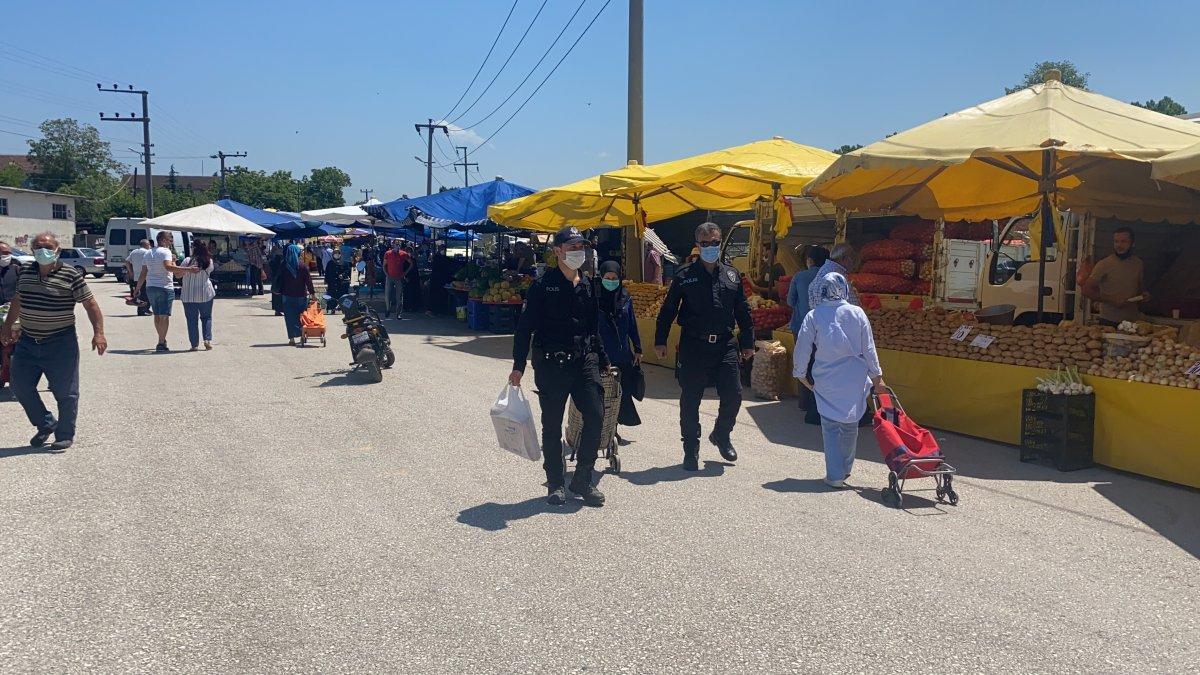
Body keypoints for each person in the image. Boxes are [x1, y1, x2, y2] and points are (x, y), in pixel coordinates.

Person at [509, 225, 608, 507]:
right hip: (552, 364)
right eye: (572, 247)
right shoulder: (542, 285)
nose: (578, 252)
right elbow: (524, 328)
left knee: (596, 416)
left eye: (581, 247)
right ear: (557, 251)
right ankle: (555, 482)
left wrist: (603, 360)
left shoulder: (588, 284)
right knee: (551, 425)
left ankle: (582, 479)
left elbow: (593, 326)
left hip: (583, 362)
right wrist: (518, 365)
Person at [655, 222, 754, 471]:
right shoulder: (684, 275)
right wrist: (660, 340)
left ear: (721, 243)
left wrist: (748, 343)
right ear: (698, 245)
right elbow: (668, 311)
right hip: (694, 345)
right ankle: (691, 449)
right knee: (691, 400)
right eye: (706, 243)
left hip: (725, 345)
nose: (711, 247)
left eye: (715, 242)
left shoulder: (732, 275)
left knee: (733, 394)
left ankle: (721, 434)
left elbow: (742, 310)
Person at [1, 232, 106, 452]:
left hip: (60, 342)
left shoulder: (70, 274)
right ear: (32, 250)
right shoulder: (26, 272)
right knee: (20, 386)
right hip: (28, 341)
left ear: (57, 249)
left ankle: (64, 434)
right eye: (38, 246)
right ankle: (46, 423)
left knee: (66, 392)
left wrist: (99, 333)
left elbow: (91, 305)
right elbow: (17, 300)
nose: (43, 250)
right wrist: (8, 326)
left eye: (47, 246)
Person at [793, 273, 887, 489]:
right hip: (854, 378)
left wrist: (800, 372)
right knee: (850, 425)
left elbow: (803, 346)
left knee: (830, 426)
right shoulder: (858, 313)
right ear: (844, 289)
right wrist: (876, 376)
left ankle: (834, 474)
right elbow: (869, 348)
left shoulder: (814, 315)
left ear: (823, 291)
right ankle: (845, 469)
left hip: (826, 378)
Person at [596, 260, 643, 440]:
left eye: (614, 278)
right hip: (601, 355)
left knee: (618, 395)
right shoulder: (594, 299)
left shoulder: (625, 298)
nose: (611, 281)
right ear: (601, 278)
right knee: (601, 395)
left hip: (622, 355)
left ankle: (611, 428)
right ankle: (598, 428)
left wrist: (638, 347)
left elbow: (632, 324)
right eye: (607, 278)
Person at [788, 245, 830, 422]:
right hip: (826, 329)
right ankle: (822, 402)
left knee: (803, 363)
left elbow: (790, 301)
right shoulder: (832, 278)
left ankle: (805, 402)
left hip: (802, 326)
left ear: (810, 260)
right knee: (823, 365)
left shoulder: (799, 276)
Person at [134, 231, 189, 352]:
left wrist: (137, 288)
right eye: (170, 240)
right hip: (164, 287)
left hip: (151, 287)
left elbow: (143, 273)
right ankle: (161, 342)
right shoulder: (165, 252)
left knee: (157, 315)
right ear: (163, 240)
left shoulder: (148, 253)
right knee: (164, 316)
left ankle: (161, 339)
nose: (171, 242)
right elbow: (168, 267)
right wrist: (187, 268)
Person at [1083, 227, 1148, 327]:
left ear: (1132, 243)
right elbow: (1086, 290)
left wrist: (1143, 295)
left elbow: (1139, 286)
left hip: (1132, 321)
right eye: (1116, 241)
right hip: (1109, 321)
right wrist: (1111, 300)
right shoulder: (1104, 264)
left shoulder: (1138, 263)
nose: (1119, 245)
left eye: (1123, 241)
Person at [273, 243, 314, 346]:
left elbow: (279, 279)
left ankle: (291, 339)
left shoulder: (283, 265)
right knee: (302, 317)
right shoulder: (302, 266)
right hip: (301, 296)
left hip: (287, 296)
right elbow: (308, 281)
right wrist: (313, 293)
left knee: (289, 317)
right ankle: (301, 336)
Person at [179, 241, 216, 351]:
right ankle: (207, 340)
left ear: (194, 248)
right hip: (205, 294)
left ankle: (194, 344)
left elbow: (178, 274)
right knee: (206, 317)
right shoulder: (209, 261)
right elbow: (210, 272)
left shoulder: (187, 261)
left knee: (191, 320)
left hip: (188, 295)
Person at [808, 242, 860, 310]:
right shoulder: (837, 275)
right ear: (844, 259)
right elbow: (853, 306)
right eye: (852, 259)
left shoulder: (823, 271)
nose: (853, 263)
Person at [383, 241, 413, 318]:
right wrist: (386, 274)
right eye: (396, 244)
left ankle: (398, 313)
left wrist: (404, 273)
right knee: (387, 294)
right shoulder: (388, 253)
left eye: (398, 245)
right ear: (393, 245)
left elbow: (411, 263)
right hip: (390, 276)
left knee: (399, 295)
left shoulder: (403, 254)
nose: (397, 246)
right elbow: (384, 265)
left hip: (399, 277)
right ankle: (387, 309)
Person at [124, 239, 152, 316]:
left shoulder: (134, 252)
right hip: (146, 276)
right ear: (146, 245)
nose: (150, 246)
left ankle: (144, 309)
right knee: (145, 294)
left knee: (140, 293)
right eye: (149, 245)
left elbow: (126, 261)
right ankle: (142, 311)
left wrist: (131, 271)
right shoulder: (147, 252)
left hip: (136, 276)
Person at [402, 243, 425, 315]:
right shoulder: (403, 260)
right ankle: (407, 307)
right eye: (408, 251)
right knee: (408, 293)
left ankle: (414, 307)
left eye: (410, 252)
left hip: (415, 279)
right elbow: (402, 269)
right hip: (408, 279)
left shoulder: (413, 259)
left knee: (415, 293)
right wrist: (405, 277)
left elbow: (415, 270)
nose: (409, 253)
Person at [267, 244, 285, 316]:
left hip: (275, 281)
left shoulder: (273, 262)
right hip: (279, 281)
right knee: (279, 296)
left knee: (276, 296)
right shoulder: (281, 263)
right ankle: (279, 310)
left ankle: (277, 310)